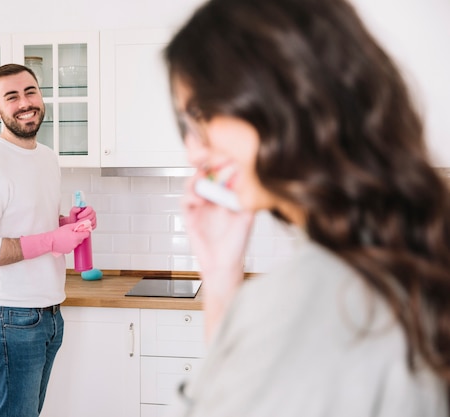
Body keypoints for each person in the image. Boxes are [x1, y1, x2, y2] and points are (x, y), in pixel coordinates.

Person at [164, 0, 450, 415]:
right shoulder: (411, 253)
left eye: (202, 114)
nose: (194, 150)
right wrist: (222, 277)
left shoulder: (306, 300)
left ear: (280, 97)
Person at [0, 63, 97, 417]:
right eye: (11, 96)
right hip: (9, 319)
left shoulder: (46, 157)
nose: (24, 102)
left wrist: (70, 224)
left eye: (30, 91)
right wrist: (51, 240)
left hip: (47, 313)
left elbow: (31, 221)